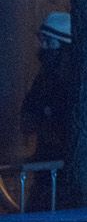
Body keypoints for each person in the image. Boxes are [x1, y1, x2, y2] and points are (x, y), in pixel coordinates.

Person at [21, 12, 77, 166]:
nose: (43, 47)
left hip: (64, 167)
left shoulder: (75, 82)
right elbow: (27, 118)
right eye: (42, 40)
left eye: (49, 42)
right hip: (46, 163)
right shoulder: (43, 79)